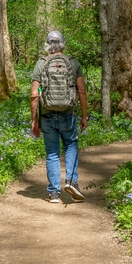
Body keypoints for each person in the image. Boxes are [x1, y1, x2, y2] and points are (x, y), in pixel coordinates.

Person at [31, 31, 89, 203]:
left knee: (52, 153)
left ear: (47, 45)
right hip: (68, 114)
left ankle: (54, 193)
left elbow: (35, 94)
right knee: (71, 144)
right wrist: (84, 116)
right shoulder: (73, 63)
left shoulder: (42, 63)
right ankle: (72, 181)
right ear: (63, 44)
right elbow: (81, 90)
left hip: (47, 114)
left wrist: (35, 119)